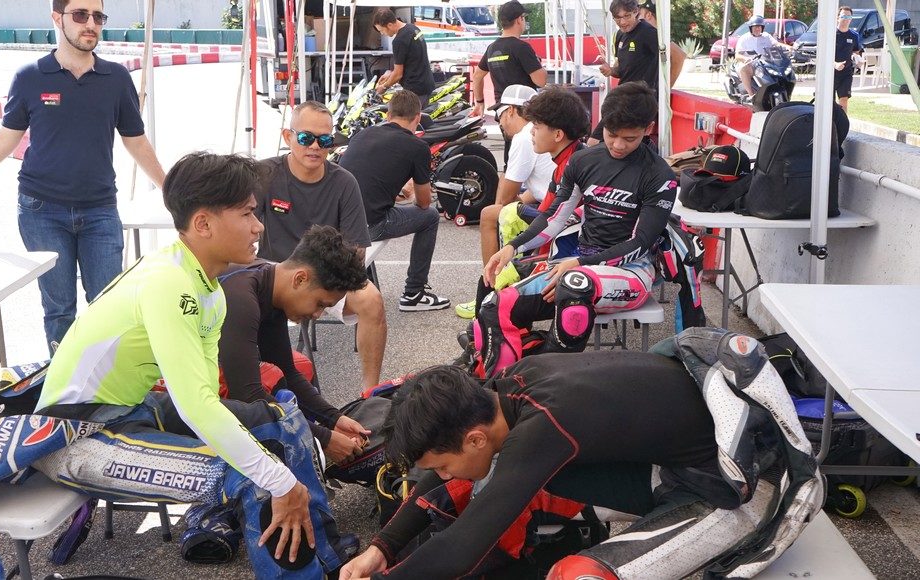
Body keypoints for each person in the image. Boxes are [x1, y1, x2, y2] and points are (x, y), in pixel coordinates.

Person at [31, 152, 347, 574]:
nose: (259, 226)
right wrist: (279, 479)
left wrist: (280, 443)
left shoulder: (209, 288)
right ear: (203, 223)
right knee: (258, 478)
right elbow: (196, 405)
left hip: (126, 413)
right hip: (73, 435)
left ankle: (324, 555)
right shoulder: (169, 282)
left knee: (273, 421)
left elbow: (208, 399)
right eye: (247, 213)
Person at [338, 332, 821, 579]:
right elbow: (446, 480)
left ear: (475, 438)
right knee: (481, 484)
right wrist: (382, 548)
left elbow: (463, 548)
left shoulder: (541, 429)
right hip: (677, 463)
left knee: (577, 576)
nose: (440, 474)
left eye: (441, 463)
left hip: (743, 493)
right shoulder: (510, 386)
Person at [0, 0, 166, 353]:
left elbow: (137, 141)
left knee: (109, 306)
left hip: (100, 210)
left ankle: (106, 379)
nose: (91, 24)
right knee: (59, 309)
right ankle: (64, 381)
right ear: (57, 18)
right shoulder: (30, 77)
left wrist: (170, 188)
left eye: (98, 17)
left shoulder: (116, 79)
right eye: (81, 15)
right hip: (42, 211)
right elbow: (4, 140)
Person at [477, 82, 675, 377]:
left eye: (630, 138)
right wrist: (511, 247)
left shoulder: (659, 175)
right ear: (603, 124)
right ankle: (498, 387)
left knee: (574, 284)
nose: (618, 145)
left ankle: (542, 381)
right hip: (578, 265)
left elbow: (642, 242)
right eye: (611, 134)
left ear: (648, 129)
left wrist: (581, 263)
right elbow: (554, 218)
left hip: (631, 272)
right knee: (494, 304)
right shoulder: (583, 161)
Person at [256, 100, 387, 390]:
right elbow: (241, 230)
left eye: (325, 140)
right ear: (288, 137)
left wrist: (318, 281)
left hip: (326, 275)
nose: (315, 146)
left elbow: (356, 251)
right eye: (306, 138)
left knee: (372, 300)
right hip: (274, 272)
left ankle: (370, 393)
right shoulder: (264, 174)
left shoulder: (344, 182)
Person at [218, 225, 372, 463]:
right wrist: (322, 438)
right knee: (267, 382)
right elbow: (247, 396)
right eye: (320, 304)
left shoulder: (272, 286)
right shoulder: (241, 297)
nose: (317, 315)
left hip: (212, 369)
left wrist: (334, 418)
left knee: (298, 368)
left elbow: (287, 369)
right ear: (300, 279)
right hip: (165, 389)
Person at [338, 90, 450, 312]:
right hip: (369, 226)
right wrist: (410, 191)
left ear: (388, 115)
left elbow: (366, 179)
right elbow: (424, 203)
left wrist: (396, 191)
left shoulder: (363, 134)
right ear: (418, 117)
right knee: (430, 217)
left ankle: (366, 283)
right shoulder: (418, 147)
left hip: (338, 222)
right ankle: (414, 293)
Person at [454, 84, 556, 319]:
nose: (500, 123)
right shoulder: (537, 130)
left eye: (500, 115)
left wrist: (512, 202)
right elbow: (536, 189)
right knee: (506, 210)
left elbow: (505, 198)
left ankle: (489, 290)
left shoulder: (524, 136)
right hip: (556, 205)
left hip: (555, 213)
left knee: (490, 214)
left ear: (511, 110)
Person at [469, 0, 547, 168]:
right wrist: (540, 65)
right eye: (524, 18)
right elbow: (541, 81)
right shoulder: (521, 47)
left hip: (503, 111)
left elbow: (477, 76)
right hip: (523, 111)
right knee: (526, 156)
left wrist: (480, 103)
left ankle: (507, 181)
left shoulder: (491, 48)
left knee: (511, 154)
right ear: (519, 19)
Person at [588, 0, 659, 145]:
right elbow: (621, 69)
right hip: (621, 97)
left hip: (639, 101)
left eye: (627, 16)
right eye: (618, 18)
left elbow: (677, 55)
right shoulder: (620, 35)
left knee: (596, 142)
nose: (623, 22)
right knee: (595, 142)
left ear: (636, 12)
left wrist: (664, 89)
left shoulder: (648, 32)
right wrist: (610, 70)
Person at [373, 8, 436, 106]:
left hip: (415, 90)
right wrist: (390, 73)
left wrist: (384, 87)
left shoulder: (399, 41)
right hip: (426, 84)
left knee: (408, 116)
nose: (382, 34)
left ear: (389, 25)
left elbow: (398, 74)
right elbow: (412, 60)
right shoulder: (413, 28)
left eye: (381, 30)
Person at [637, 0, 686, 87]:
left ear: (648, 15)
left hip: (649, 91)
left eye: (638, 14)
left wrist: (667, 86)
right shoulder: (655, 37)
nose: (636, 19)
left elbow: (679, 55)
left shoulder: (658, 38)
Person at [735, 15, 782, 96]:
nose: (757, 29)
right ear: (751, 28)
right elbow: (737, 55)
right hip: (750, 64)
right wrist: (745, 59)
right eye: (755, 27)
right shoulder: (744, 38)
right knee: (744, 69)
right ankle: (751, 94)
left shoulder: (766, 36)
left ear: (762, 27)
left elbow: (776, 44)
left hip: (764, 64)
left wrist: (789, 48)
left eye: (759, 27)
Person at [834, 6, 864, 112]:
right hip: (831, 72)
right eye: (843, 16)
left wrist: (858, 59)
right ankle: (829, 121)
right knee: (828, 101)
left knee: (844, 99)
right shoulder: (831, 34)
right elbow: (824, 54)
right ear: (838, 18)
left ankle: (842, 121)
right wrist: (835, 64)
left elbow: (855, 51)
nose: (846, 19)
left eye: (848, 17)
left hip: (846, 73)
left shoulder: (854, 35)